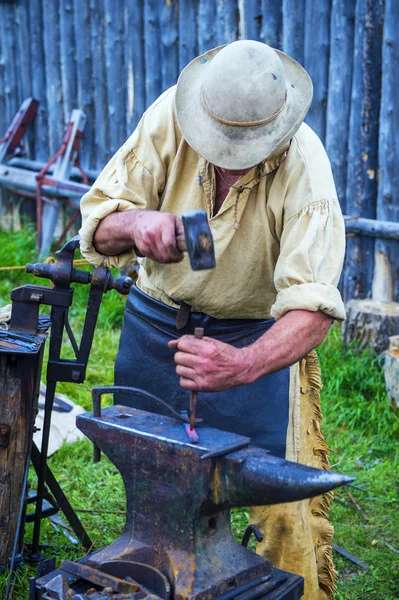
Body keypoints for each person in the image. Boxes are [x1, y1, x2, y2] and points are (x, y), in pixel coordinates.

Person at [79, 40, 345, 600]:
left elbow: (313, 307)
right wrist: (138, 225)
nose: (226, 153)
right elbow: (98, 225)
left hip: (253, 339)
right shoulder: (170, 114)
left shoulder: (305, 164)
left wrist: (245, 364)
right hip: (156, 327)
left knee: (279, 515)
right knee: (156, 490)